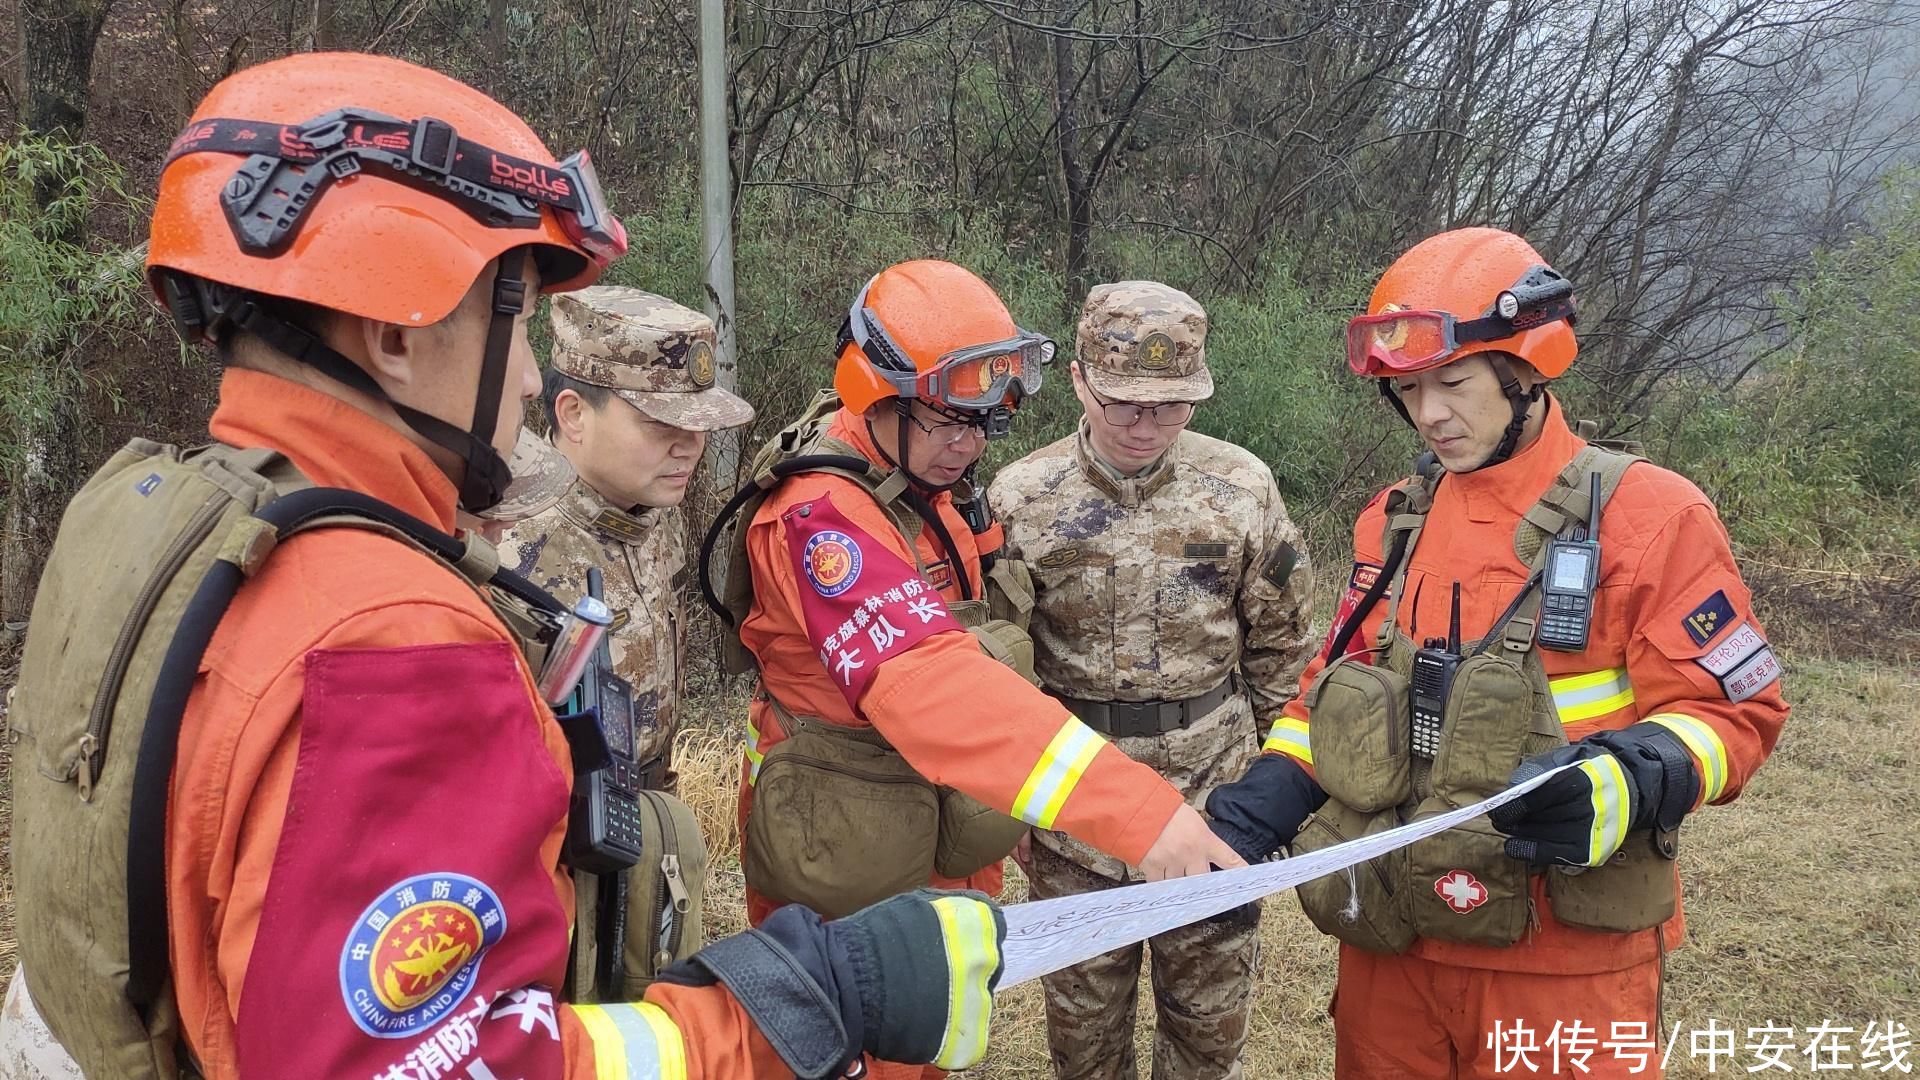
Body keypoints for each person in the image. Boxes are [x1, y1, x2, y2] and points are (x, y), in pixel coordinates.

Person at [4, 52, 1002, 1080]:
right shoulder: (391, 639)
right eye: (514, 318)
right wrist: (809, 1001)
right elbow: (443, 1062)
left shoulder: (160, 518)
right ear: (396, 329)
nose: (530, 376)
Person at [1205, 227, 1790, 1079]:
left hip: (1562, 960)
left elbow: (1737, 713)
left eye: (1453, 382)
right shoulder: (1393, 521)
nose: (1430, 413)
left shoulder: (1651, 516)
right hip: (1393, 944)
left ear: (1527, 370)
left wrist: (1633, 777)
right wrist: (1266, 796)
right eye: (1407, 389)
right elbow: (1329, 694)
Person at [709, 259, 1245, 1080]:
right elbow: (932, 685)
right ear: (875, 394)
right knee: (854, 1049)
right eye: (946, 420)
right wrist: (1138, 814)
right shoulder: (824, 519)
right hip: (845, 852)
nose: (968, 443)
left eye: (986, 422)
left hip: (927, 837)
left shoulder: (927, 484)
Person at [988, 281, 1316, 1079]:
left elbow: (1282, 651)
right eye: (1125, 403)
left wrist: (1280, 789)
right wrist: (1015, 818)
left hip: (1215, 806)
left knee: (1207, 1041)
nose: (1147, 425)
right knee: (1085, 1048)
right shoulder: (1018, 499)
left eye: (1171, 406)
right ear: (1077, 380)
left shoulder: (1240, 488)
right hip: (1076, 816)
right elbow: (999, 674)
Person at [500, 288, 754, 998]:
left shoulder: (650, 510)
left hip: (642, 837)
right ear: (573, 414)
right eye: (657, 423)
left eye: (698, 426)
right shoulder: (508, 541)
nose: (689, 448)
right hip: (552, 868)